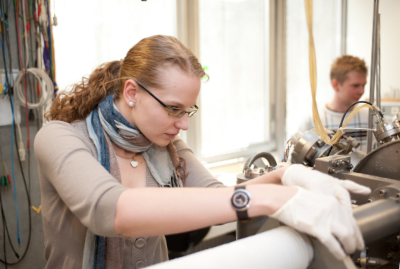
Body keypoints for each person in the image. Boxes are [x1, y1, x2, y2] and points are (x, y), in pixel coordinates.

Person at [35, 35, 370, 269]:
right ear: (132, 91)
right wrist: (272, 199)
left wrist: (286, 177)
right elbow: (110, 210)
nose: (183, 125)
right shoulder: (60, 138)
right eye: (173, 109)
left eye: (188, 111)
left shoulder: (166, 145)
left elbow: (218, 197)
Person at [297, 55, 370, 153]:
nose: (362, 91)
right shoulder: (313, 120)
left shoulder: (369, 116)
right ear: (336, 85)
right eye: (355, 86)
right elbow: (295, 162)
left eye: (363, 85)